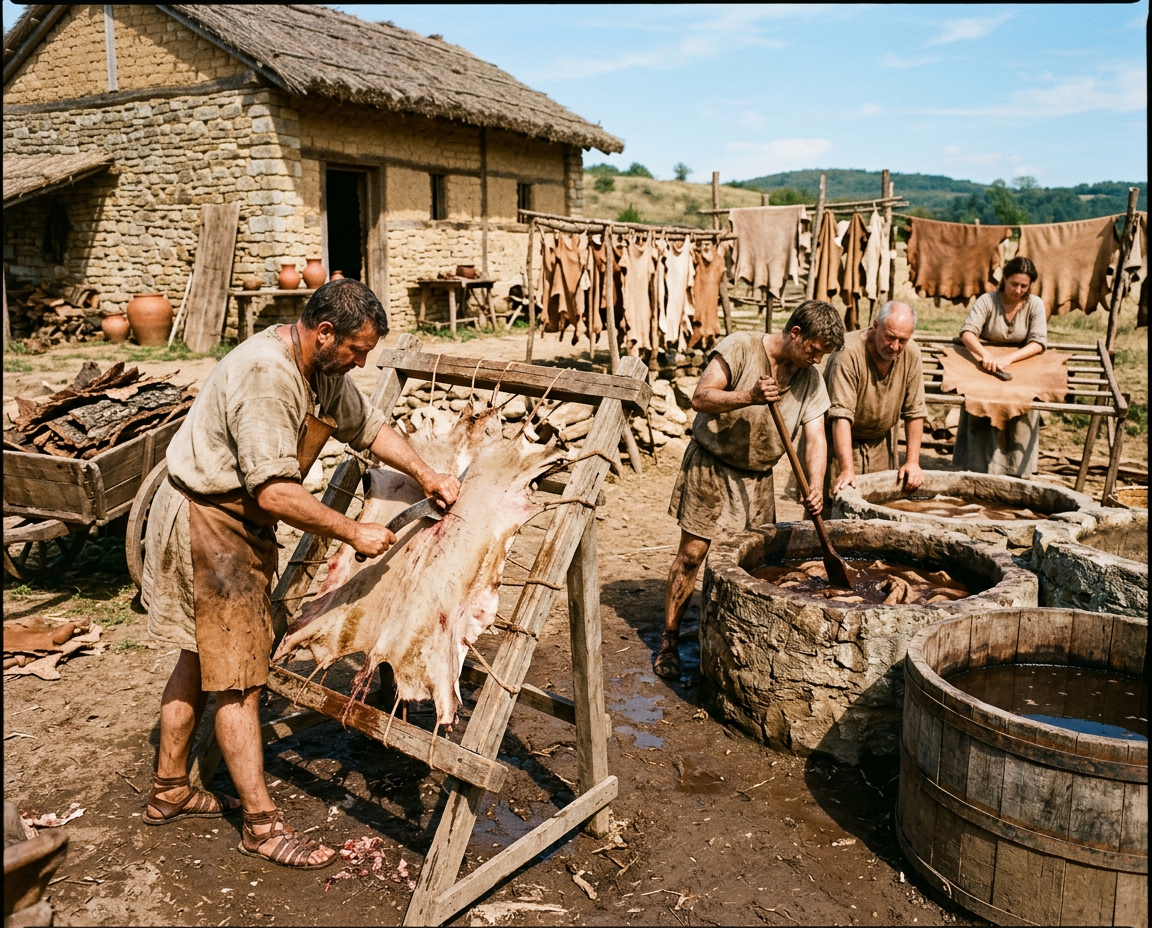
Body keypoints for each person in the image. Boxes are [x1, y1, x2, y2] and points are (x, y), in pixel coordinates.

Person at [141, 279, 460, 869]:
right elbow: (273, 491)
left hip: (230, 516)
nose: (363, 362)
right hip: (207, 520)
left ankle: (168, 788)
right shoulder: (267, 377)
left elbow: (369, 428)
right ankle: (260, 827)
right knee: (239, 678)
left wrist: (426, 472)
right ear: (324, 332)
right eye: (358, 350)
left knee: (197, 653)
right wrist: (352, 531)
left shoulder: (324, 370)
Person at [658, 300, 844, 679]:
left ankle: (731, 638)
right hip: (712, 465)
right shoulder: (740, 347)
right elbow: (701, 397)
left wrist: (815, 485)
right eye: (813, 350)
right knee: (693, 554)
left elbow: (816, 439)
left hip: (759, 476)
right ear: (795, 334)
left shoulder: (810, 379)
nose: (816, 360)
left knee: (756, 563)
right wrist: (749, 397)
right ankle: (670, 640)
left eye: (823, 355)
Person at [953, 255, 1047, 477]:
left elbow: (1039, 341)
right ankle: (976, 469)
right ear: (1004, 279)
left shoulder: (1034, 304)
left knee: (1022, 409)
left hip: (1021, 364)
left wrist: (1009, 359)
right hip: (985, 365)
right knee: (980, 408)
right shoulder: (987, 300)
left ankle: (1017, 470)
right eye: (1014, 284)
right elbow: (967, 332)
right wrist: (985, 355)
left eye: (1024, 286)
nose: (1018, 290)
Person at [825, 301, 928, 496]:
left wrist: (912, 462)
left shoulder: (911, 354)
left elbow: (915, 411)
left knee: (879, 504)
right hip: (840, 440)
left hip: (881, 442)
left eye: (902, 340)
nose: (895, 346)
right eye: (889, 337)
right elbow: (841, 416)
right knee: (836, 506)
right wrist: (847, 469)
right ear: (875, 326)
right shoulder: (847, 354)